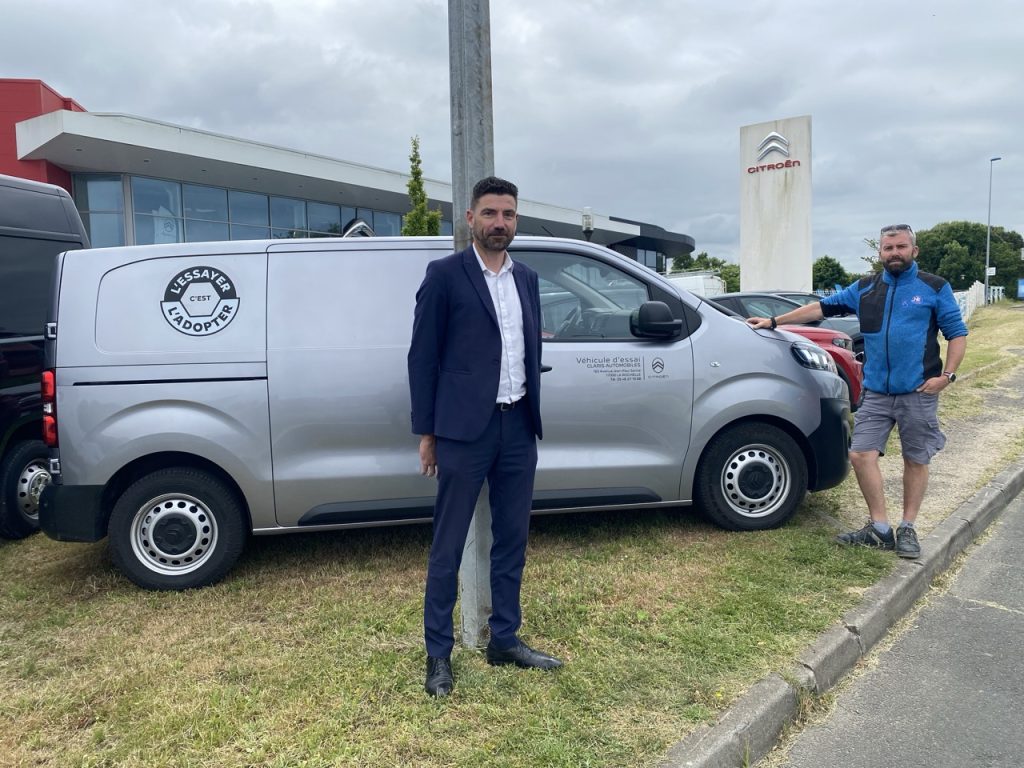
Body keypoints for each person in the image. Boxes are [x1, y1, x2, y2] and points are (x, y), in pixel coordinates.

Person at [407, 176, 562, 697]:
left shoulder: (527, 279)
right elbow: (422, 358)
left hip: (518, 426)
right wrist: (427, 432)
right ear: (470, 218)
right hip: (462, 432)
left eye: (508, 214)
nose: (500, 223)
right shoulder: (445, 276)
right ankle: (438, 655)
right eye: (491, 213)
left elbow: (526, 349)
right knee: (448, 544)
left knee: (512, 538)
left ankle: (505, 640)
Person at [746, 224, 968, 559]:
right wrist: (774, 322)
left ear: (914, 250)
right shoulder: (865, 288)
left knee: (915, 458)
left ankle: (908, 527)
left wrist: (947, 376)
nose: (895, 253)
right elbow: (821, 308)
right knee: (861, 455)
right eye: (888, 248)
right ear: (880, 253)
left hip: (918, 391)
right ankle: (880, 528)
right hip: (876, 392)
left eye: (901, 247)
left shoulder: (934, 287)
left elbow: (957, 334)